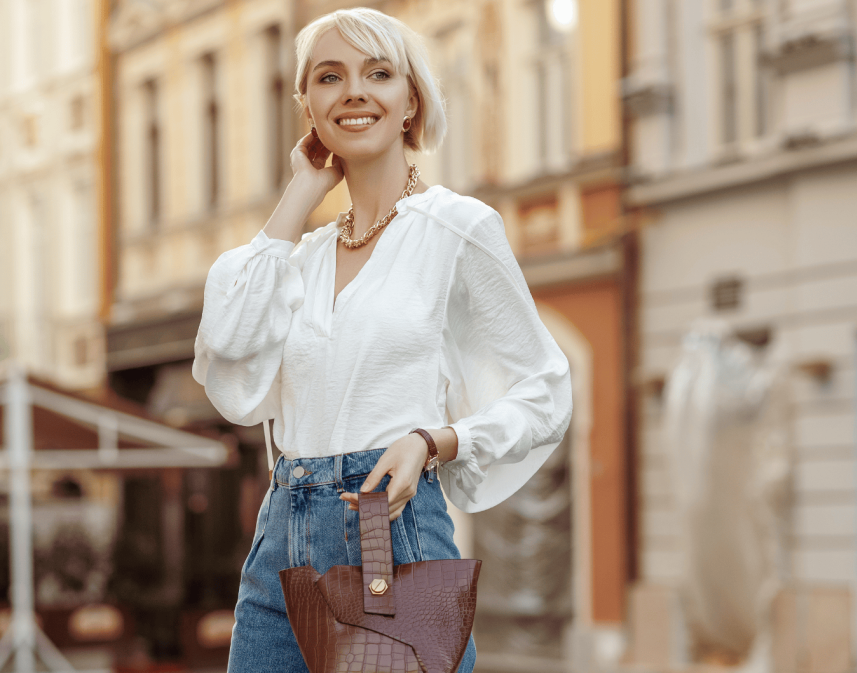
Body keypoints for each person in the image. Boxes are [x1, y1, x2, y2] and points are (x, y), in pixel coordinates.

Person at [191, 8, 572, 672]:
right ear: (307, 105)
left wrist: (437, 441)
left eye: (379, 73)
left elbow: (546, 389)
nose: (355, 91)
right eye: (330, 77)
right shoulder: (298, 256)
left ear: (410, 101)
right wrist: (300, 192)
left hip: (387, 532)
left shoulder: (455, 228)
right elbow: (226, 356)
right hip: (282, 532)